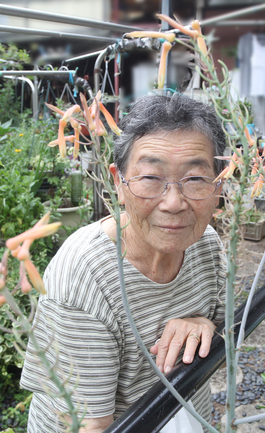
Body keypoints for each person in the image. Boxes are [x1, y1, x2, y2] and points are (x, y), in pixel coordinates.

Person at [20, 93, 228, 433]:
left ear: (219, 184)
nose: (174, 203)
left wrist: (202, 324)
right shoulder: (84, 277)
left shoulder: (206, 244)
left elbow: (225, 334)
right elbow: (92, 427)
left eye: (194, 179)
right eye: (150, 178)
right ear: (119, 182)